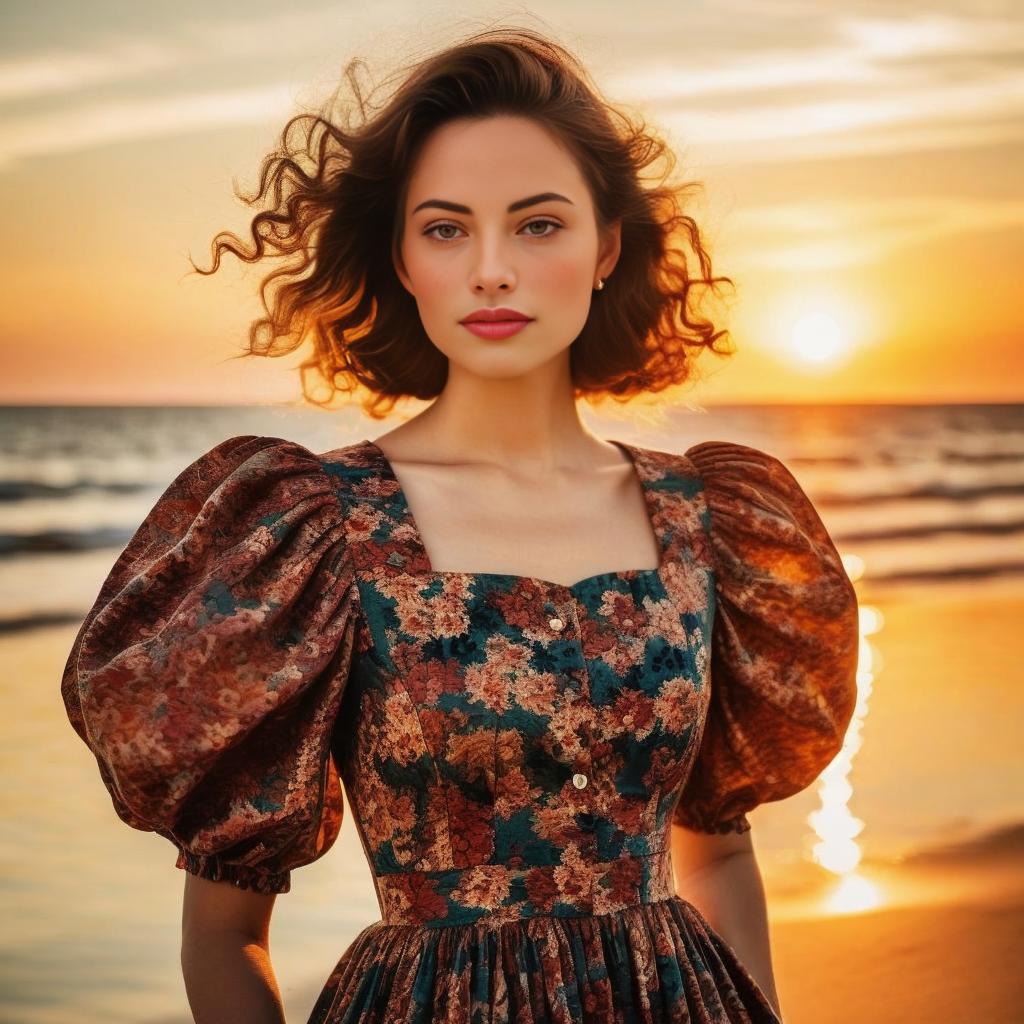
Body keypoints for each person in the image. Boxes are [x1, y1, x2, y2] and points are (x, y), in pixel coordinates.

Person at [60, 26, 859, 1024]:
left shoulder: (713, 524)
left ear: (606, 246)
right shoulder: (313, 531)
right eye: (445, 229)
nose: (490, 270)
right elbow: (225, 935)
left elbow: (722, 850)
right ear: (400, 256)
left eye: (536, 225)